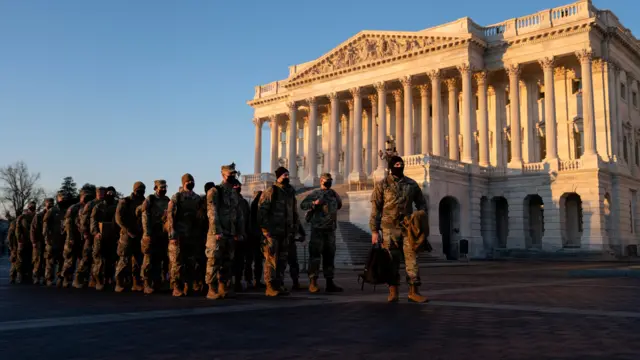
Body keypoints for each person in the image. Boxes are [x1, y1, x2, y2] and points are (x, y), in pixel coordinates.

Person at [370, 155, 428, 303]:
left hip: (408, 228)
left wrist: (419, 216)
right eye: (396, 164)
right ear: (390, 167)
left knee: (412, 259)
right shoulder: (382, 185)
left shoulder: (412, 184)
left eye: (400, 164)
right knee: (391, 261)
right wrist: (374, 231)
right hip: (389, 229)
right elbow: (376, 208)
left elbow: (422, 203)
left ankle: (413, 291)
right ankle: (393, 291)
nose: (399, 166)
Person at [258, 166, 302, 296]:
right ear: (278, 177)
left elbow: (294, 213)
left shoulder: (290, 192)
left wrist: (296, 228)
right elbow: (262, 211)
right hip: (273, 232)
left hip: (286, 232)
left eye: (288, 175)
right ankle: (270, 286)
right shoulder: (272, 191)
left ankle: (279, 283)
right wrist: (265, 230)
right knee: (271, 260)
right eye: (284, 175)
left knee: (282, 261)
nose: (287, 177)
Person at [205, 163, 244, 299]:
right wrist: (217, 231)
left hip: (230, 233)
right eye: (230, 174)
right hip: (218, 234)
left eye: (234, 174)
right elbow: (212, 212)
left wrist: (239, 232)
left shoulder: (234, 193)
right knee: (214, 261)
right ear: (223, 175)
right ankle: (211, 289)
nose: (233, 176)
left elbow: (238, 214)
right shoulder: (215, 191)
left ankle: (223, 287)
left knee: (227, 262)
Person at [300, 173, 343, 293]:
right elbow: (303, 205)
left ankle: (330, 282)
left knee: (329, 257)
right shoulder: (315, 194)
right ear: (321, 181)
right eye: (326, 180)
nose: (328, 182)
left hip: (330, 230)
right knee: (315, 257)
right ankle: (313, 283)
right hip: (318, 230)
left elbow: (339, 206)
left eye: (330, 180)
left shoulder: (333, 194)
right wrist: (314, 203)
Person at [166, 173, 201, 297]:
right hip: (179, 235)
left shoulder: (197, 198)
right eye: (188, 181)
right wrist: (172, 234)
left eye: (192, 181)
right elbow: (170, 216)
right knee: (177, 263)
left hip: (192, 235)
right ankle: (177, 287)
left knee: (191, 262)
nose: (190, 183)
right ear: (183, 183)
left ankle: (188, 285)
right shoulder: (177, 197)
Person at [114, 181, 147, 292]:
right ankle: (119, 283)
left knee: (138, 260)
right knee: (124, 260)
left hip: (139, 234)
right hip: (127, 235)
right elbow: (118, 218)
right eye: (139, 189)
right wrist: (127, 230)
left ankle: (136, 283)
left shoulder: (144, 201)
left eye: (143, 189)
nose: (141, 192)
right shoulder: (125, 201)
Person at [140, 180, 170, 294]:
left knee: (160, 259)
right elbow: (145, 217)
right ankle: (146, 283)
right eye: (161, 187)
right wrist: (147, 233)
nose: (163, 189)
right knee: (148, 259)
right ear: (155, 188)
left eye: (165, 187)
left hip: (162, 233)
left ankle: (157, 283)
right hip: (151, 233)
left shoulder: (167, 200)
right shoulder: (150, 200)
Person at [61, 190, 94, 288]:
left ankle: (79, 280)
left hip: (84, 238)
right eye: (85, 196)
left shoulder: (90, 207)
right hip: (73, 237)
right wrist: (70, 237)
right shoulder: (74, 208)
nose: (86, 198)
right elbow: (68, 224)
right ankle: (66, 279)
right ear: (81, 197)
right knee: (70, 260)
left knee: (83, 259)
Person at [90, 186, 119, 291]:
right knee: (99, 259)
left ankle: (108, 279)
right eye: (109, 193)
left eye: (112, 193)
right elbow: (93, 221)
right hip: (100, 236)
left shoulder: (118, 205)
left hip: (113, 236)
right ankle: (98, 280)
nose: (110, 195)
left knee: (111, 259)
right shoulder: (98, 207)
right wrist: (96, 232)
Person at [44, 192, 71, 287]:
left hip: (64, 240)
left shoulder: (68, 210)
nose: (63, 199)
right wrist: (47, 239)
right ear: (57, 199)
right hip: (53, 240)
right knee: (51, 261)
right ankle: (49, 279)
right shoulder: (52, 211)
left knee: (63, 261)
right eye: (61, 198)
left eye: (65, 197)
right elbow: (46, 226)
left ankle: (61, 278)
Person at [232, 181, 251, 292]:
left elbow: (247, 218)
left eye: (239, 186)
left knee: (239, 261)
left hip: (242, 236)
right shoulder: (228, 201)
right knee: (230, 261)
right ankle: (228, 282)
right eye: (236, 185)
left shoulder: (243, 202)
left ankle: (238, 282)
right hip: (231, 235)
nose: (238, 187)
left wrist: (246, 233)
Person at [31, 198, 53, 285]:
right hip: (39, 241)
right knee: (38, 260)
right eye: (48, 204)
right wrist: (34, 242)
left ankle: (47, 278)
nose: (50, 205)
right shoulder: (39, 215)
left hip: (49, 241)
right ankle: (36, 277)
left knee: (48, 260)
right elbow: (33, 229)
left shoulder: (54, 215)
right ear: (45, 204)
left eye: (52, 203)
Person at [15, 201, 37, 284]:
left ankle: (29, 277)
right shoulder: (22, 217)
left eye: (33, 207)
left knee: (31, 260)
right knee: (21, 260)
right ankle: (20, 276)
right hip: (23, 241)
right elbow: (18, 229)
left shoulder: (36, 216)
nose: (32, 208)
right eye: (31, 206)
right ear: (28, 207)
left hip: (32, 242)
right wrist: (19, 240)